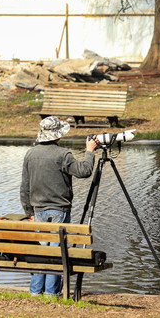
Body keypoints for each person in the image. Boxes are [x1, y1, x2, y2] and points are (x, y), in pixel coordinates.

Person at [20, 116, 99, 296]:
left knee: (42, 252)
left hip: (37, 211)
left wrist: (28, 211)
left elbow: (24, 187)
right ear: (58, 135)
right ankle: (51, 293)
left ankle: (35, 292)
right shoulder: (63, 155)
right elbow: (84, 171)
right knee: (56, 253)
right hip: (59, 211)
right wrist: (90, 151)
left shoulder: (30, 154)